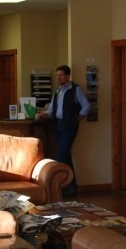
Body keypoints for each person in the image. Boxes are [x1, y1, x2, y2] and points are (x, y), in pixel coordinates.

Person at [35, 65, 89, 197]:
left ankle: (56, 188)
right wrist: (43, 114)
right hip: (58, 125)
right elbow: (51, 110)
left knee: (60, 156)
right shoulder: (57, 91)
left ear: (68, 76)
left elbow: (86, 106)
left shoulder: (75, 89)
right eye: (57, 75)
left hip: (69, 126)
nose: (58, 78)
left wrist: (77, 119)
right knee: (66, 157)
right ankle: (72, 186)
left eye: (61, 75)